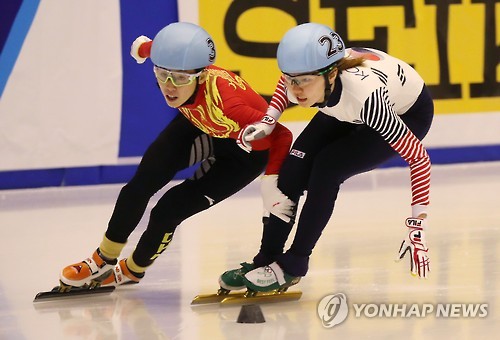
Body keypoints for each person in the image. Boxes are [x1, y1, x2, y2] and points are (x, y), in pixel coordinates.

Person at [59, 22, 294, 289]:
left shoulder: (230, 104)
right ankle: (102, 260)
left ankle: (133, 270)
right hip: (200, 126)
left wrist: (272, 179)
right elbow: (149, 48)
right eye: (162, 74)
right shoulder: (168, 61)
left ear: (202, 76)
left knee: (167, 211)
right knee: (139, 186)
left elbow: (282, 135)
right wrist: (143, 49)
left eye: (181, 78)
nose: (170, 86)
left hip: (244, 153)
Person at [219, 23, 433, 293]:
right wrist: (269, 121)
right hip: (342, 105)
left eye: (304, 80)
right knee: (293, 168)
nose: (296, 90)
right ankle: (266, 258)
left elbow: (420, 159)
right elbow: (285, 84)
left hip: (406, 112)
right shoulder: (310, 77)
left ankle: (294, 264)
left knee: (327, 168)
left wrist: (417, 225)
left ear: (332, 74)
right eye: (291, 79)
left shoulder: (367, 101)